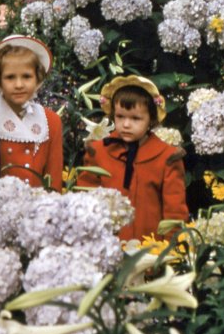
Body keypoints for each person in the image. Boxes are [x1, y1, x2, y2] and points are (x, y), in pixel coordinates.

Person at [78, 75, 189, 241]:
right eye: (120, 116)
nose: (126, 124)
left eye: (136, 118)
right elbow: (84, 200)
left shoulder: (166, 158)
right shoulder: (99, 152)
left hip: (150, 250)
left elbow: (174, 212)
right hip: (105, 245)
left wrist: (170, 252)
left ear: (151, 120)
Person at [0, 35, 63, 190]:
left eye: (26, 76)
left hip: (38, 209)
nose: (19, 85)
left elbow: (54, 180)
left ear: (38, 79)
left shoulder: (51, 121)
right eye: (10, 77)